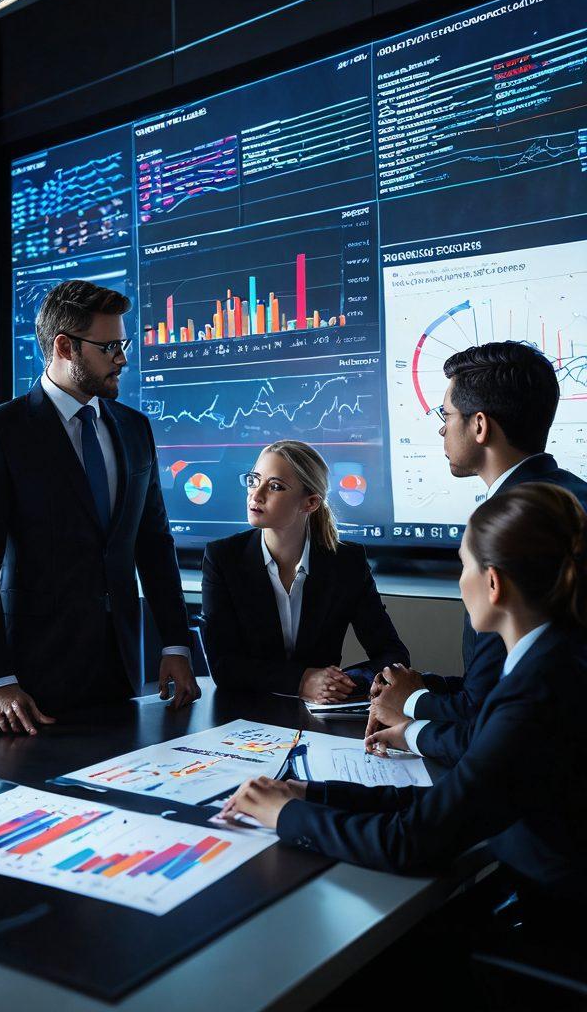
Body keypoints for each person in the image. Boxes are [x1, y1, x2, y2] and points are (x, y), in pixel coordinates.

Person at [217, 483, 587, 907]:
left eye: (462, 565)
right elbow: (447, 802)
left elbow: (408, 842)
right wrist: (314, 794)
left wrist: (284, 815)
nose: (459, 580)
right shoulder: (555, 660)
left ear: (493, 583)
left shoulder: (532, 693)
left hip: (552, 923)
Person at [0, 280, 198, 734]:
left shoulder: (134, 428)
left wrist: (175, 646)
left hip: (122, 666)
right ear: (64, 347)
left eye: (122, 343)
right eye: (109, 347)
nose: (122, 358)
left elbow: (154, 544)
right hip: (32, 683)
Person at [371, 341, 587, 745]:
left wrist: (412, 704)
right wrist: (422, 688)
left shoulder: (516, 525)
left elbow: (488, 709)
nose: (441, 427)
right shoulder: (568, 498)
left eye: (446, 415)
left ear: (480, 426)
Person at [200, 440, 409, 700]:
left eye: (275, 486)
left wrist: (341, 683)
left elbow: (392, 654)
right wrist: (302, 681)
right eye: (254, 480)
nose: (256, 494)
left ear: (310, 503)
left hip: (320, 716)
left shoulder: (347, 562)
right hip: (245, 713)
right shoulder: (223, 558)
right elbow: (224, 667)